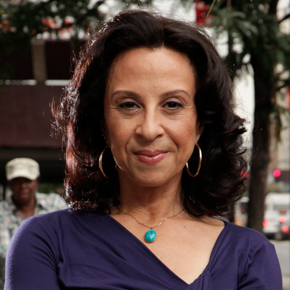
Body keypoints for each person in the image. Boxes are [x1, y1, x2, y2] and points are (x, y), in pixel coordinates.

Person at [4, 10, 282, 290]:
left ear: (200, 124)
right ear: (102, 122)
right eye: (128, 105)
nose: (149, 129)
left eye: (172, 104)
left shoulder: (249, 255)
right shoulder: (45, 241)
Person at [0, 158, 67, 289]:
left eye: (28, 180)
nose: (22, 186)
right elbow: (4, 254)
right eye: (16, 181)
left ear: (36, 181)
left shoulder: (55, 203)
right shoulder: (1, 211)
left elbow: (68, 245)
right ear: (9, 184)